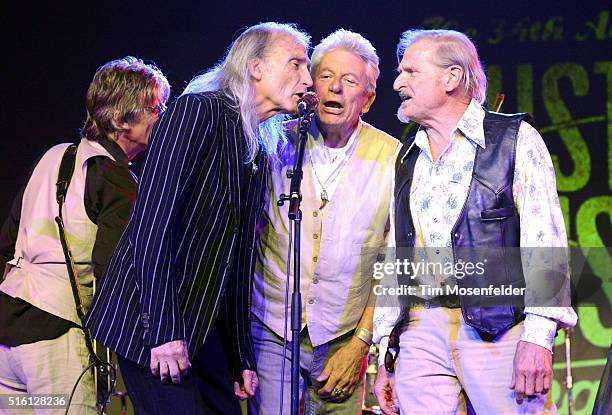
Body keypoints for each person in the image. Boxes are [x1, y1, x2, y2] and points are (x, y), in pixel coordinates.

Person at [85, 22, 313, 414]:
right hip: (152, 324)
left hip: (201, 329)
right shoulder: (197, 111)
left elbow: (235, 259)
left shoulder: (255, 145)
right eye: (296, 64)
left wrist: (240, 354)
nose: (307, 79)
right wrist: (164, 332)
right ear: (256, 67)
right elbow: (150, 228)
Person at [372, 29, 577, 414]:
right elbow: (396, 254)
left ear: (451, 77)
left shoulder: (515, 140)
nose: (398, 83)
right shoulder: (407, 157)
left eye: (411, 72)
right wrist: (387, 348)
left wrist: (537, 337)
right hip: (420, 329)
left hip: (498, 327)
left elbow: (543, 239)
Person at [0, 56, 170, 414]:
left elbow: (7, 244)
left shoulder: (53, 156)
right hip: (56, 345)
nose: (163, 116)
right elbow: (116, 272)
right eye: (155, 108)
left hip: (8, 341)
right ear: (123, 121)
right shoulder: (116, 179)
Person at [250, 29, 400, 414]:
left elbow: (393, 264)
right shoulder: (276, 142)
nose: (335, 88)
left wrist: (361, 343)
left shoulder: (392, 158)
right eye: (326, 76)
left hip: (342, 338)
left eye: (349, 81)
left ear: (367, 99)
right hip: (270, 328)